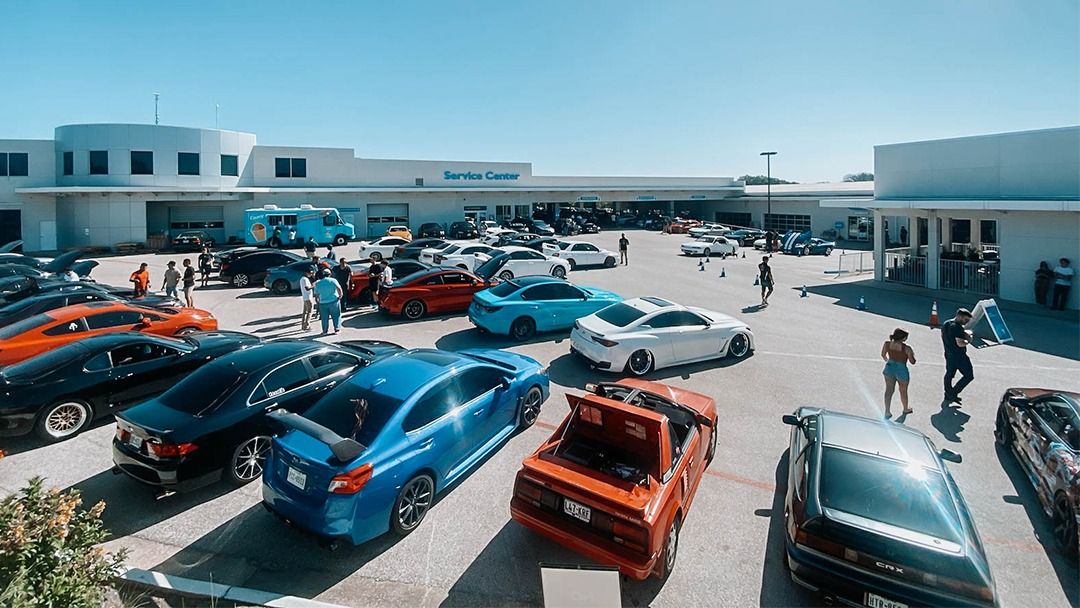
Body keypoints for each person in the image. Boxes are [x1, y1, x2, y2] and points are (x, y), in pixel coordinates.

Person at [941, 308, 975, 405]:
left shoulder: (946, 323)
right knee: (969, 375)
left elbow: (949, 336)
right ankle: (953, 393)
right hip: (959, 356)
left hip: (948, 353)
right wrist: (969, 340)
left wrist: (963, 333)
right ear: (959, 316)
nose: (966, 322)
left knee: (949, 374)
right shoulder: (957, 327)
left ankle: (948, 393)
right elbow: (960, 343)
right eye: (965, 319)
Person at [881, 328, 916, 418]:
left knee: (888, 390)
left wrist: (888, 361)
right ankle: (905, 408)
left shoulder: (887, 344)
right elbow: (912, 361)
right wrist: (911, 354)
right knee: (903, 391)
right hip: (901, 369)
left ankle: (887, 411)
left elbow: (883, 355)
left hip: (889, 367)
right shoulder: (906, 348)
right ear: (903, 338)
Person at [313, 269, 343, 334]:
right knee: (336, 315)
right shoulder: (333, 280)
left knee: (324, 318)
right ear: (330, 274)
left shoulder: (318, 283)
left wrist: (318, 301)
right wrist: (340, 296)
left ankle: (325, 331)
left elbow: (316, 294)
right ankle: (337, 329)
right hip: (334, 301)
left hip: (323, 303)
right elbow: (339, 288)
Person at [299, 267, 315, 331]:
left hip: (305, 297)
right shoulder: (305, 279)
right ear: (306, 273)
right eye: (310, 273)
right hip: (308, 298)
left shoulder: (302, 279)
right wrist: (313, 285)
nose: (311, 274)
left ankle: (303, 325)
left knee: (305, 312)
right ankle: (307, 325)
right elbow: (307, 288)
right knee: (309, 312)